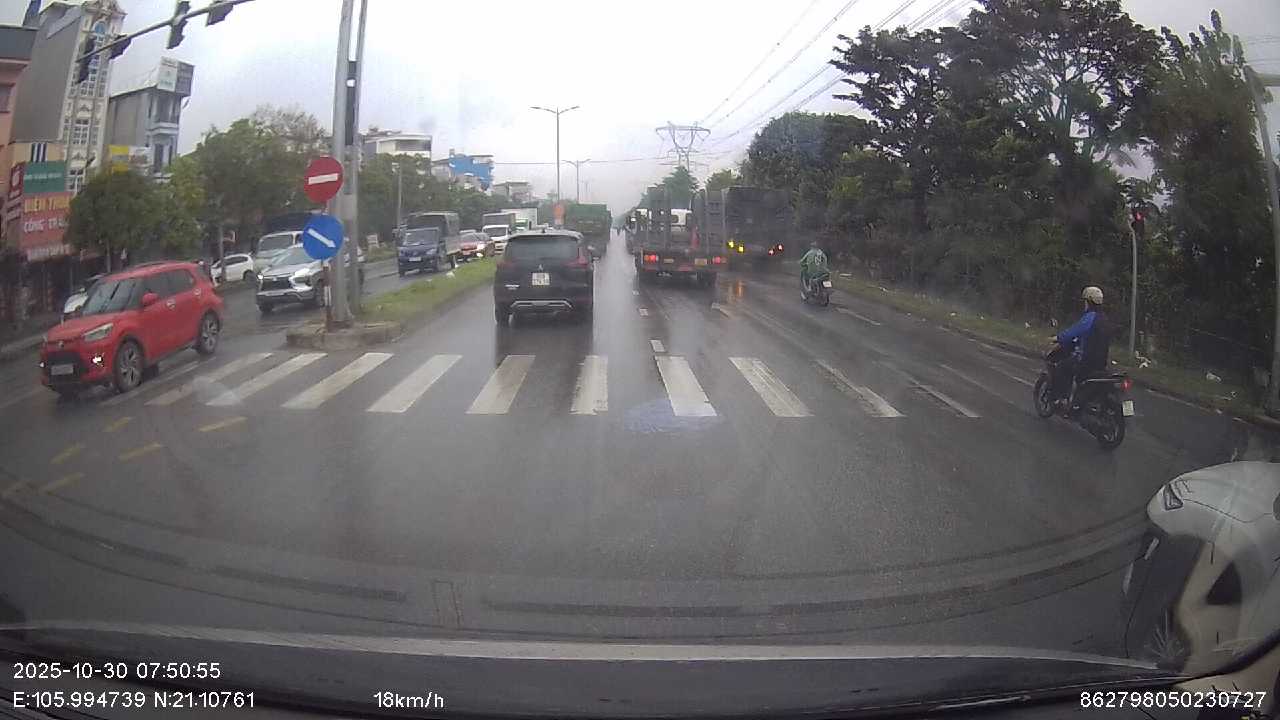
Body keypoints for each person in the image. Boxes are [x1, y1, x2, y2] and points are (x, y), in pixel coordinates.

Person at [1050, 286, 1112, 409]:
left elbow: (1075, 331)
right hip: (1101, 362)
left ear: (1088, 302)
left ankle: (1061, 399)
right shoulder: (1104, 318)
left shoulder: (1090, 317)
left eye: (1085, 301)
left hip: (1086, 360)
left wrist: (1058, 338)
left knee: (1062, 367)